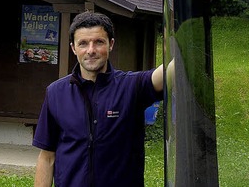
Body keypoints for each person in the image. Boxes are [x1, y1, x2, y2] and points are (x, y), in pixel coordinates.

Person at [32, 11, 163, 187]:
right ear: (73, 48)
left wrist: (194, 4)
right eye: (83, 43)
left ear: (111, 44)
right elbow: (47, 157)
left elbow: (170, 71)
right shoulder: (56, 93)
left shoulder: (132, 86)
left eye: (99, 42)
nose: (91, 50)